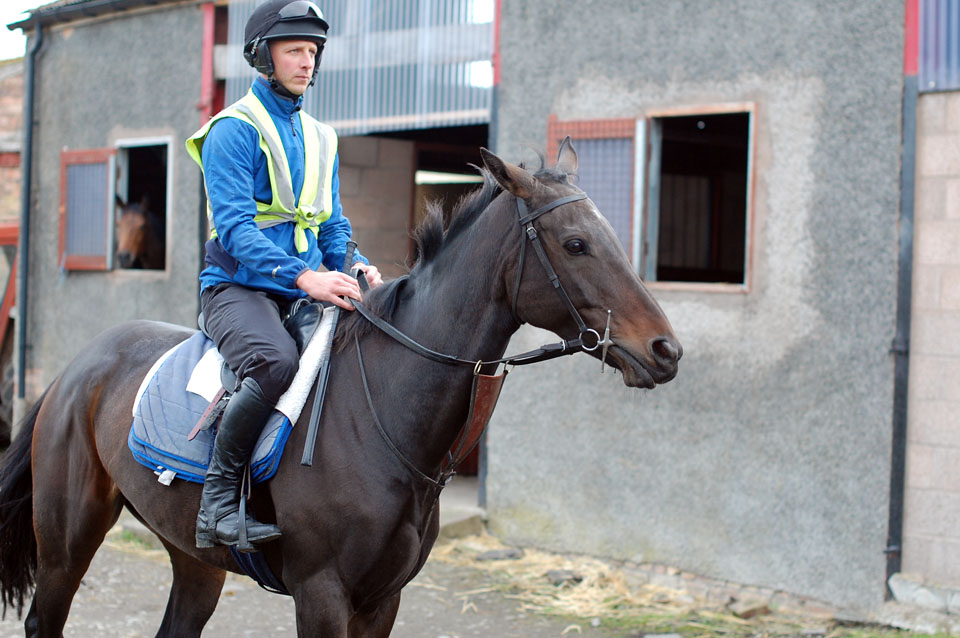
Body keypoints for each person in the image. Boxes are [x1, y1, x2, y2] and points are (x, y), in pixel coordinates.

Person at [185, 0, 382, 550]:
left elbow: (332, 223)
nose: (307, 62)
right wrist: (307, 278)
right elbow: (235, 229)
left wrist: (352, 265)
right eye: (294, 50)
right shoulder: (232, 130)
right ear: (262, 56)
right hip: (237, 287)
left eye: (313, 51)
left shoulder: (323, 137)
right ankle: (218, 505)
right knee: (275, 362)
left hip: (303, 282)